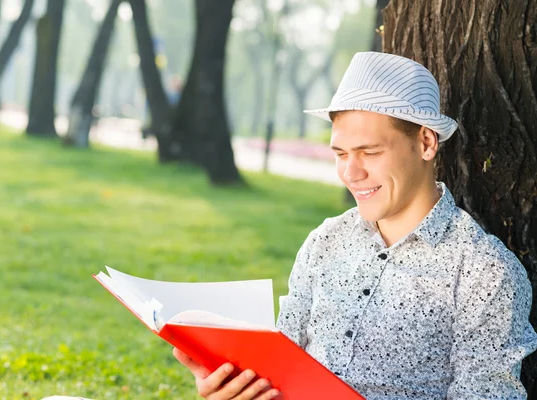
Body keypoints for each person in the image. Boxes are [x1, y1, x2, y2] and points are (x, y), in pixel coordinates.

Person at [173, 51, 537, 399]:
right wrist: (235, 388)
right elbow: (279, 366)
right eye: (341, 154)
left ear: (426, 142)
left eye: (370, 152)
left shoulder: (485, 272)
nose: (351, 173)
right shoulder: (324, 242)